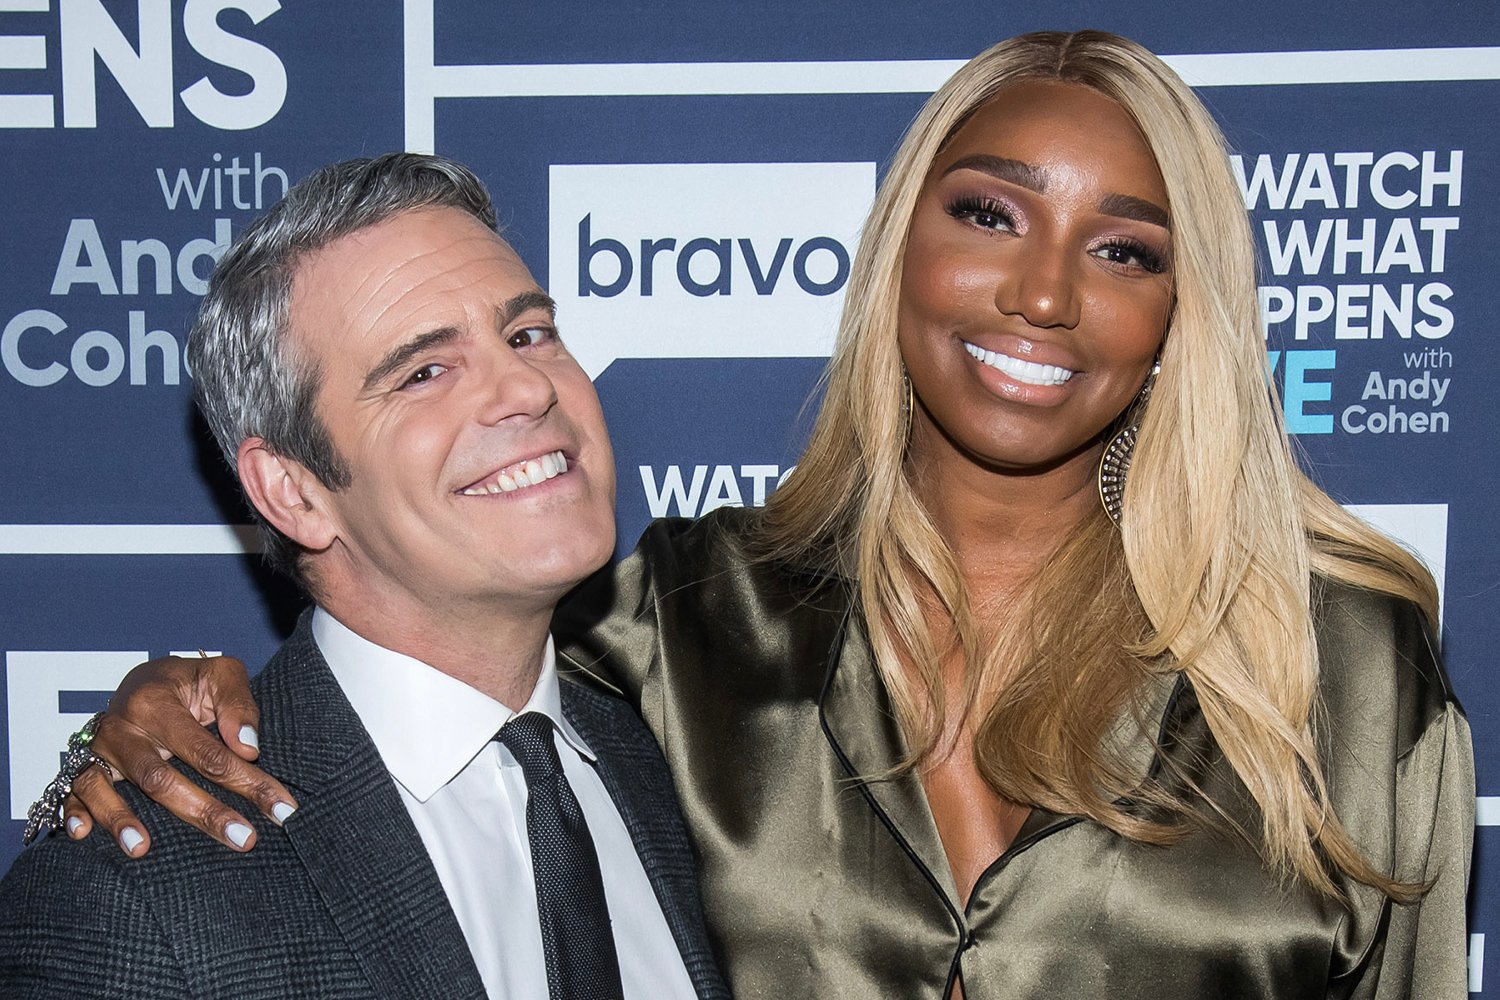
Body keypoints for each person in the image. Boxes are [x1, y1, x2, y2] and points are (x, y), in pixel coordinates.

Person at [40, 30, 1472, 1000]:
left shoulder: (1339, 665)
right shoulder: (678, 621)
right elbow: (423, 653)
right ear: (897, 247)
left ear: (1180, 315)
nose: (1045, 292)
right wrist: (162, 716)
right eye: (988, 215)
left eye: (1125, 250)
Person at [0, 154, 729, 1000]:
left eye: (528, 334)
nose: (528, 387)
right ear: (294, 491)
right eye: (425, 372)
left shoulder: (668, 765)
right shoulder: (126, 902)